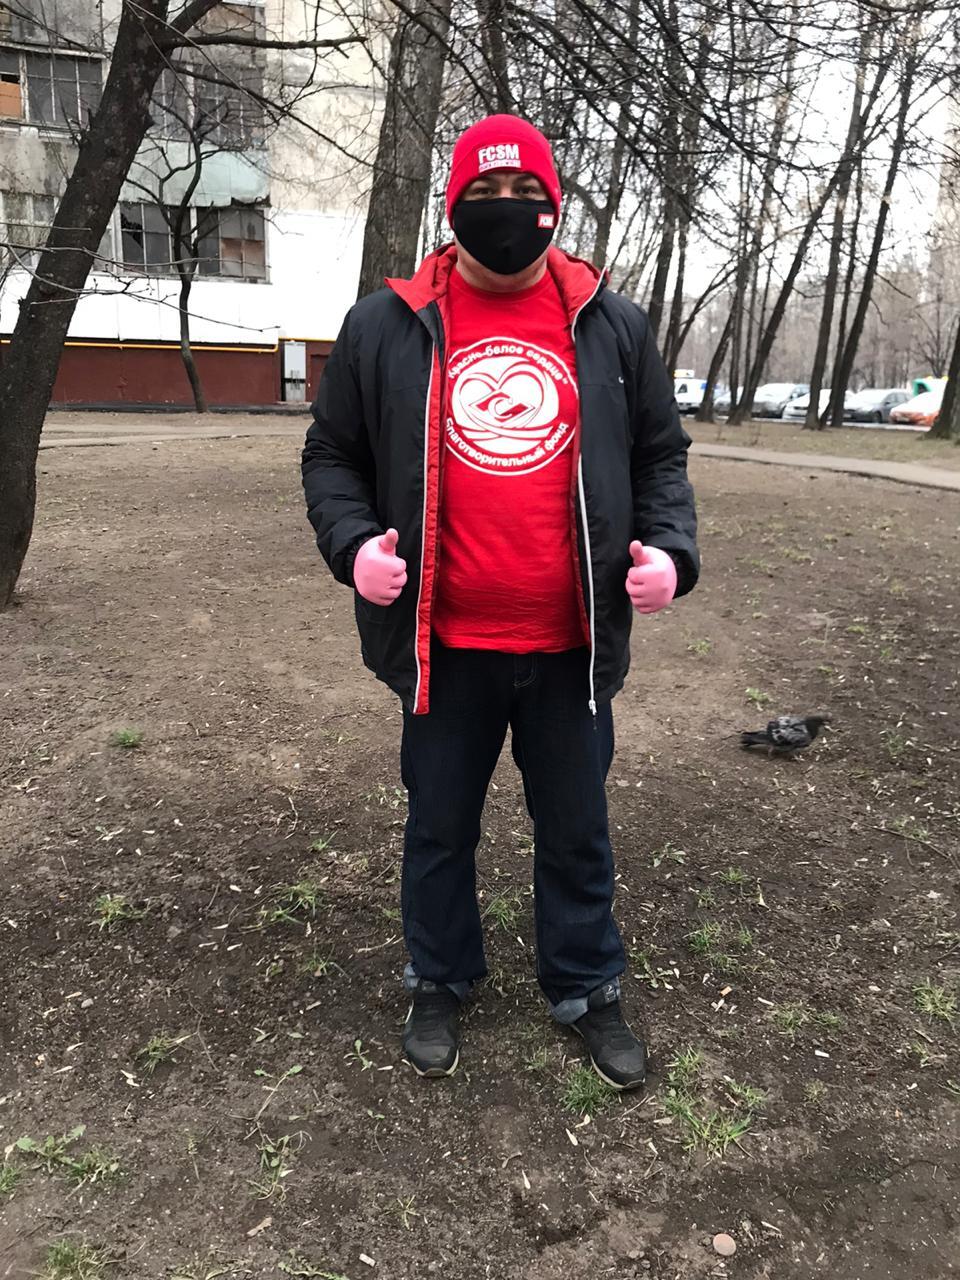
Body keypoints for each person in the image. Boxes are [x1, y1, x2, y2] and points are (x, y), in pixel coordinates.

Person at [302, 114, 698, 1089]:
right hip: (444, 645)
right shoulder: (386, 324)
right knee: (439, 825)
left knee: (577, 829)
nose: (506, 212)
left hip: (572, 646)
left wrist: (671, 553)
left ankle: (587, 984)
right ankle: (439, 976)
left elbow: (660, 457)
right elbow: (332, 455)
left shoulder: (611, 323)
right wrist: (354, 546)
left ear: (553, 206)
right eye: (484, 196)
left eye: (526, 196)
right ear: (453, 207)